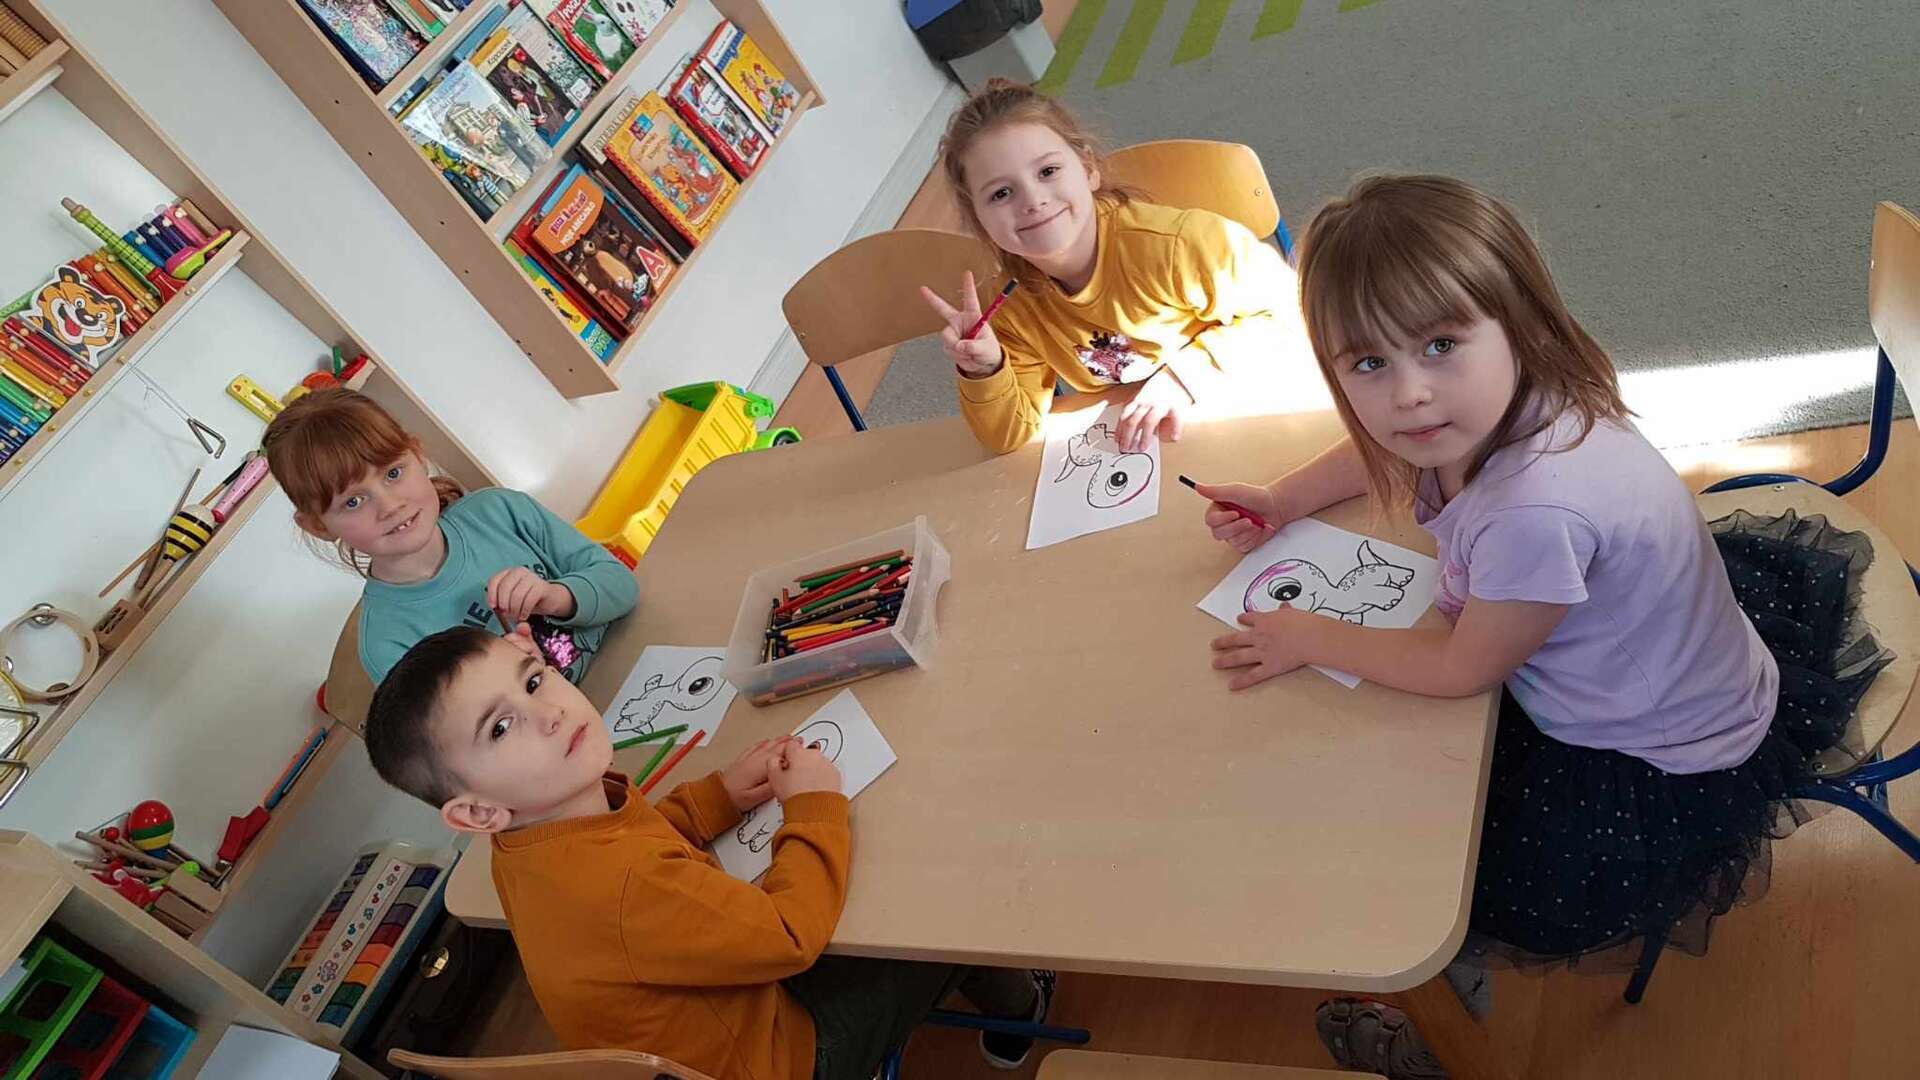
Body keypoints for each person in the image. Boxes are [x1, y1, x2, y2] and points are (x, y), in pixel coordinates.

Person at [1198, 175, 1890, 1075]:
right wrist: (1285, 497)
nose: (1410, 395)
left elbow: (1461, 669)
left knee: (1417, 874)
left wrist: (1308, 635)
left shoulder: (1535, 511)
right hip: (1649, 653)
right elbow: (1395, 448)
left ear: (1516, 320)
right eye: (1367, 364)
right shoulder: (1513, 398)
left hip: (1655, 756)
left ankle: (1451, 1001)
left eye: (1440, 344)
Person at [363, 625, 1052, 1078]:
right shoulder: (622, 887)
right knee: (947, 911)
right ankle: (1019, 1017)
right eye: (501, 726)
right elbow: (790, 935)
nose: (549, 713)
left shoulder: (531, 835)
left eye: (535, 679)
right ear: (476, 811)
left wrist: (716, 796)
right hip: (783, 1058)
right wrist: (814, 803)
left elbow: (636, 839)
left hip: (713, 1025)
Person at [919, 79, 1313, 455]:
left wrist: (1182, 378)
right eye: (1001, 193)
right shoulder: (1009, 308)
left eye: (1048, 171)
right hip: (1157, 447)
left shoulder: (1178, 246)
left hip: (1255, 404)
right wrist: (987, 369)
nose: (1033, 201)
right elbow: (1009, 435)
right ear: (978, 219)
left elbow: (1296, 311)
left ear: (1088, 168)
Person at [263, 388, 636, 684]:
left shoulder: (501, 510)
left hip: (635, 660)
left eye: (393, 473)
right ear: (319, 527)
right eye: (353, 501)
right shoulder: (388, 643)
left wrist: (555, 596)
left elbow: (622, 584)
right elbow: (468, 749)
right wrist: (520, 684)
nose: (390, 506)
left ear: (417, 454)